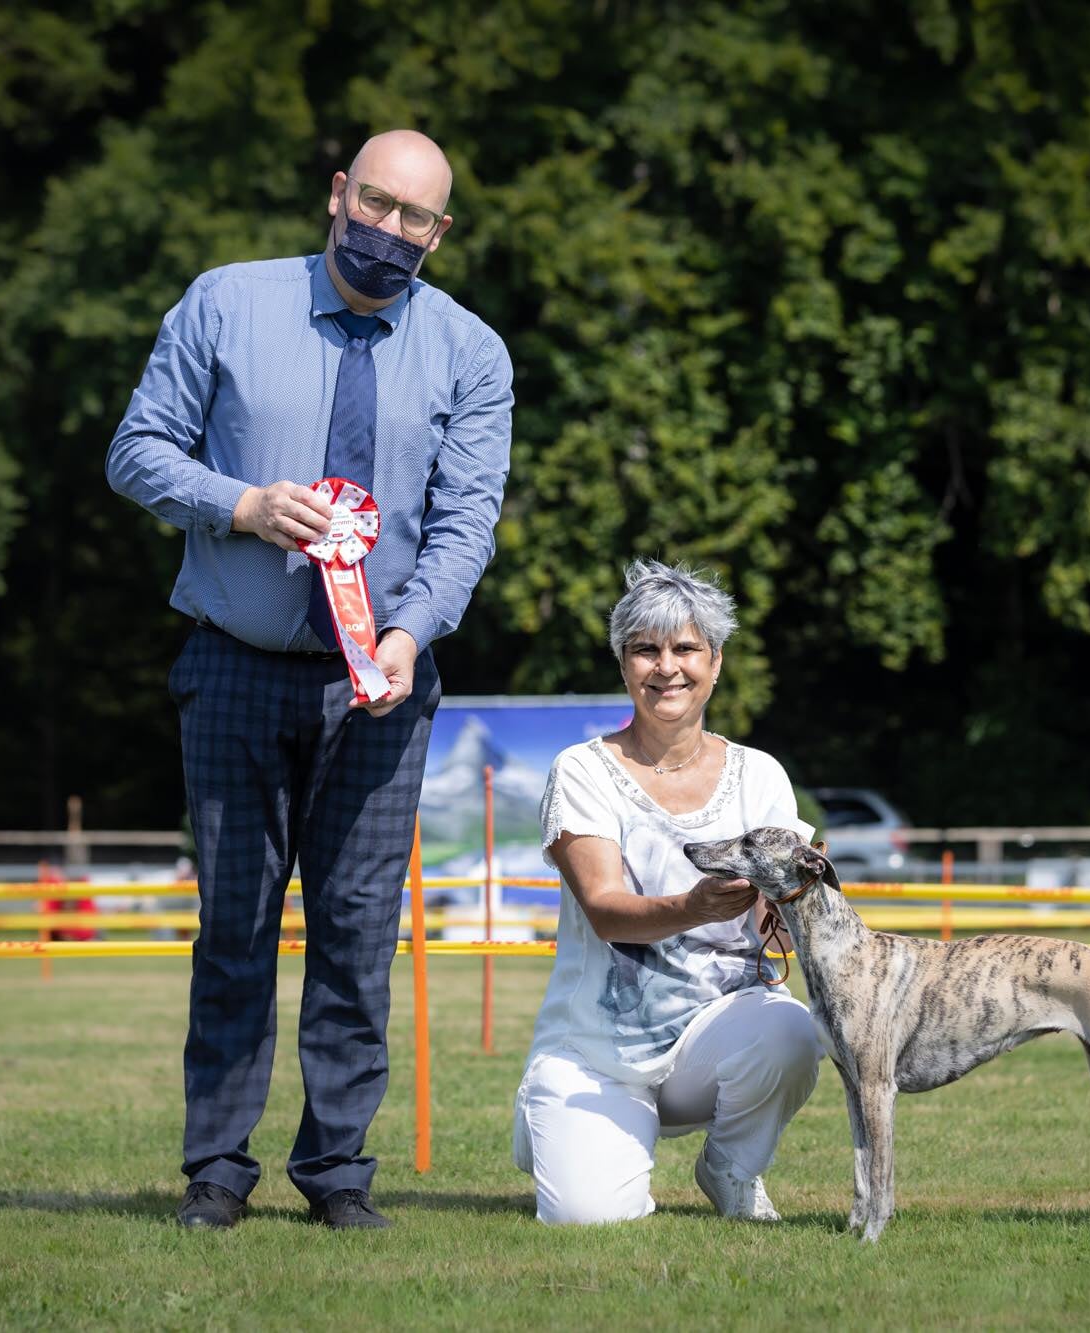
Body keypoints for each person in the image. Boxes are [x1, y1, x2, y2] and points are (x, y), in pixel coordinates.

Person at [107, 129, 513, 1231]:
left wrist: (410, 633)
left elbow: (465, 519)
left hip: (380, 684)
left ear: (440, 233)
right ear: (337, 194)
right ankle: (215, 1171)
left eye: (414, 219)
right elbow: (135, 451)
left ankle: (336, 1172)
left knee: (355, 930)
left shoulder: (472, 353)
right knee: (232, 926)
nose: (387, 232)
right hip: (232, 663)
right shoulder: (225, 303)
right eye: (373, 204)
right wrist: (237, 504)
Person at [512, 561, 824, 1225]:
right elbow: (604, 908)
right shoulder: (581, 768)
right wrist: (692, 907)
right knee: (587, 1216)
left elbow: (786, 905)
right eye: (646, 649)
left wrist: (795, 899)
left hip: (716, 1035)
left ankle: (732, 1167)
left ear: (715, 660)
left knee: (792, 1027)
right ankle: (547, 1111)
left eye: (685, 648)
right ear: (624, 663)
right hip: (600, 1051)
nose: (667, 667)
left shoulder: (761, 774)